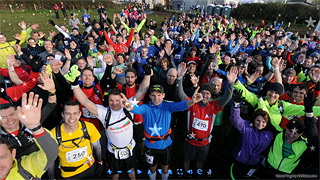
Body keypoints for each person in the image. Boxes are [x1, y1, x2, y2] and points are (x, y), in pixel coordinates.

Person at [71, 68, 152, 179]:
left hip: (130, 148)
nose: (114, 103)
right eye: (111, 101)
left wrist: (147, 74)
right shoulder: (104, 112)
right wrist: (75, 85)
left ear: (122, 99)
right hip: (113, 151)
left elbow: (142, 90)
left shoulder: (128, 106)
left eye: (117, 100)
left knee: (131, 171)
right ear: (107, 100)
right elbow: (84, 101)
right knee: (115, 174)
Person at [122, 84, 204, 180]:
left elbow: (180, 106)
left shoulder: (168, 106)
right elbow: (136, 109)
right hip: (150, 146)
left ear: (163, 95)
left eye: (159, 95)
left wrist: (192, 101)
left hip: (165, 145)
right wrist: (128, 105)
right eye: (153, 95)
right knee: (152, 170)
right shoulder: (146, 108)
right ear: (149, 96)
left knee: (165, 169)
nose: (156, 98)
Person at [175, 63, 236, 176]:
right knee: (187, 159)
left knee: (200, 161)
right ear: (199, 93)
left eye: (207, 93)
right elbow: (180, 94)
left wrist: (231, 83)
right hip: (190, 140)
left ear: (210, 95)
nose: (205, 95)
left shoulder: (214, 106)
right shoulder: (192, 103)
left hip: (204, 143)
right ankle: (186, 174)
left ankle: (198, 174)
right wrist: (179, 78)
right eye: (202, 93)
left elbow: (227, 97)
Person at [0, 92, 59, 179]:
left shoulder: (30, 122)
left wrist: (51, 92)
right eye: (3, 117)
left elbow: (51, 105)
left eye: (12, 114)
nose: (9, 120)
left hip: (41, 161)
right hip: (21, 171)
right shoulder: (1, 141)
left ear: (18, 114)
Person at [48, 100, 103, 179]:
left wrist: (99, 162)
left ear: (80, 114)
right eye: (68, 114)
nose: (71, 117)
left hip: (89, 168)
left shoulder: (89, 127)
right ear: (62, 114)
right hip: (69, 175)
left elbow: (97, 146)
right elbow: (51, 160)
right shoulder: (53, 134)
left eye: (75, 113)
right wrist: (52, 178)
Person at [230, 89, 273, 179]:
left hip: (254, 164)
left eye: (263, 121)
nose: (260, 124)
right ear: (253, 119)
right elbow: (235, 119)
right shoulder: (246, 126)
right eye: (258, 120)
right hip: (239, 161)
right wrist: (236, 104)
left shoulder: (269, 134)